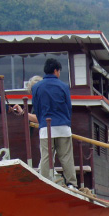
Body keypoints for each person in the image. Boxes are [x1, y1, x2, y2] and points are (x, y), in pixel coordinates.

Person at [31, 58, 77, 188]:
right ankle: (71, 184)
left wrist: (41, 122)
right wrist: (66, 121)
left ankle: (45, 183)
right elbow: (68, 107)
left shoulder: (36, 87)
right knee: (66, 157)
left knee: (46, 157)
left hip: (46, 128)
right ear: (56, 70)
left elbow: (37, 107)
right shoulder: (63, 86)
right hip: (63, 126)